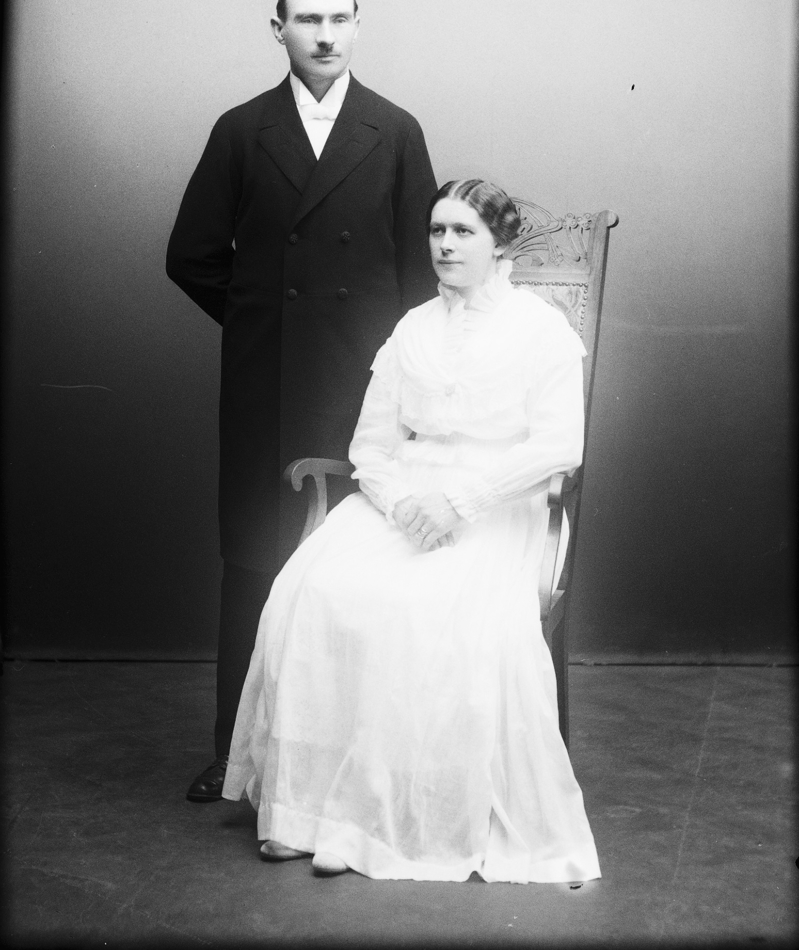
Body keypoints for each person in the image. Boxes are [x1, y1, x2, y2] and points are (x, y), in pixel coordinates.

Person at [221, 179, 601, 884]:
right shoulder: (412, 328)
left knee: (420, 608)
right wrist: (400, 505)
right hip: (402, 501)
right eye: (436, 231)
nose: (446, 246)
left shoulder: (540, 328)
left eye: (463, 232)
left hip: (496, 508)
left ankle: (384, 821)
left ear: (501, 244)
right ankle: (306, 813)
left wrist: (460, 501)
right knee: (316, 590)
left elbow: (558, 446)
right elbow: (370, 446)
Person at [165, 0, 437, 802]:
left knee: (360, 567)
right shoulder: (241, 130)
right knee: (256, 558)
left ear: (357, 25)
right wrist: (264, 322)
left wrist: (396, 368)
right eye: (308, 19)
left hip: (366, 384)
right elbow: (190, 255)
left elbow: (422, 273)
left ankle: (352, 763)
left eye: (339, 19)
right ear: (276, 28)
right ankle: (235, 754)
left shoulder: (394, 129)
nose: (325, 35)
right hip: (268, 383)